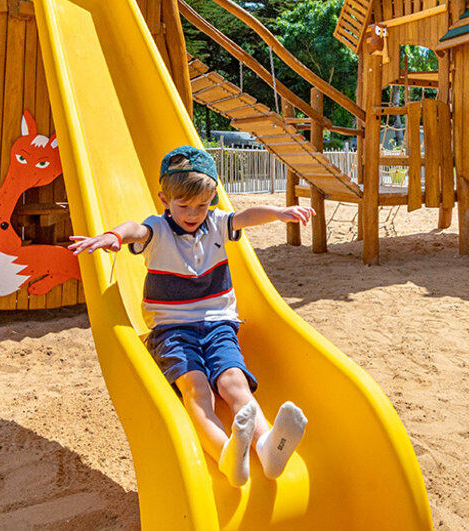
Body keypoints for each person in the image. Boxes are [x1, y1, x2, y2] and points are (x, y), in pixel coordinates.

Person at [68, 145, 312, 486]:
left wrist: (278, 212)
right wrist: (114, 236)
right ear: (164, 200)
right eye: (184, 206)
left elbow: (244, 216)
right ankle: (225, 452)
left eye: (202, 204)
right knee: (197, 389)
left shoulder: (216, 223)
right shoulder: (158, 229)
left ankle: (268, 448)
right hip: (173, 330)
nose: (194, 213)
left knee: (234, 383)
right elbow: (134, 230)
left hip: (218, 324)